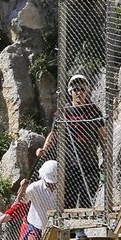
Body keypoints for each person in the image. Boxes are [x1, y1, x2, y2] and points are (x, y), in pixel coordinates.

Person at [39, 73, 105, 209]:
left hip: (89, 162)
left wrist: (105, 158)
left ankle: (81, 230)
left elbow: (102, 136)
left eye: (82, 89)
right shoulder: (64, 112)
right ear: (70, 92)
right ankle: (72, 231)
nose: (79, 92)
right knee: (68, 201)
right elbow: (54, 133)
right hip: (69, 164)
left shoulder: (94, 111)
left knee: (87, 198)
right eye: (75, 89)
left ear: (86, 91)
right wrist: (44, 149)